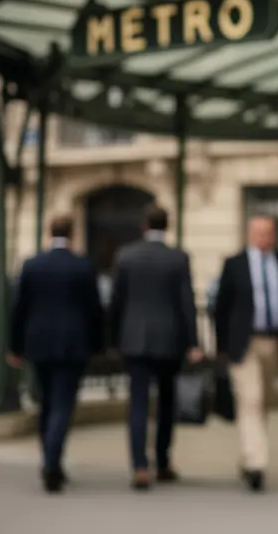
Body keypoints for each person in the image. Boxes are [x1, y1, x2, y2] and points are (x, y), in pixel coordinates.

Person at [9, 214, 104, 493]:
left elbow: (19, 309)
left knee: (47, 404)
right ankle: (52, 462)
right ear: (72, 234)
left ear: (49, 233)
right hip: (73, 344)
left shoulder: (32, 265)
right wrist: (97, 346)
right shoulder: (83, 266)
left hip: (38, 344)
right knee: (63, 405)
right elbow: (95, 311)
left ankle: (51, 459)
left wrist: (15, 347)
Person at [214, 215, 278, 492]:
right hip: (244, 343)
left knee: (263, 400)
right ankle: (256, 464)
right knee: (251, 399)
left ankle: (249, 456)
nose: (264, 238)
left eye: (268, 233)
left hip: (274, 342)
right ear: (249, 234)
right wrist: (221, 348)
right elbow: (221, 308)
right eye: (258, 233)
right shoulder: (235, 265)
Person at [110, 204, 201, 491]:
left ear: (144, 226)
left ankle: (139, 465)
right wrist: (193, 342)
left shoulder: (125, 256)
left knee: (137, 402)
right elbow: (187, 303)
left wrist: (113, 339)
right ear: (167, 225)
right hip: (169, 339)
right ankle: (162, 462)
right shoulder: (178, 258)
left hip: (134, 339)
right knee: (166, 402)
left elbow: (116, 302)